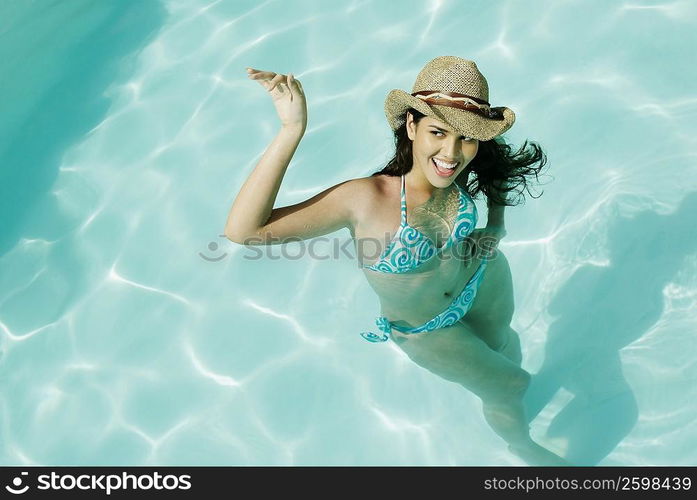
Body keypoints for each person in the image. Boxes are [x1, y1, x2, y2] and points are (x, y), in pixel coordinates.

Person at [225, 56, 568, 466]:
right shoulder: (365, 199)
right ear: (411, 126)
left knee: (506, 350)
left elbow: (497, 171)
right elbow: (244, 232)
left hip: (483, 277)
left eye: (467, 138)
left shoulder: (457, 167)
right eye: (438, 132)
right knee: (511, 384)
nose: (452, 152)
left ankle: (518, 414)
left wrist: (495, 227)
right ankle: (525, 450)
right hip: (425, 328)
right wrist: (291, 130)